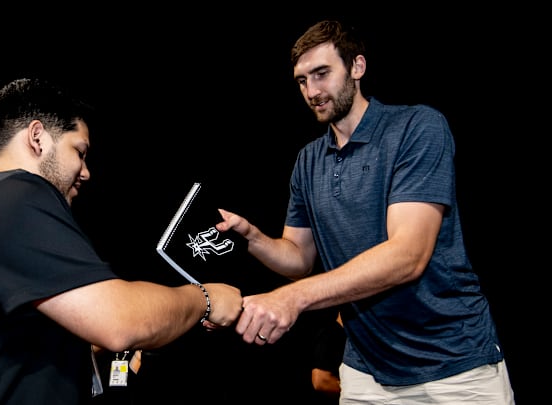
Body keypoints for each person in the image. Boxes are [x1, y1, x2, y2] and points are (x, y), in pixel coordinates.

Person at [0, 77, 243, 405]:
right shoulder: (12, 197)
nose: (86, 172)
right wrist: (206, 299)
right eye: (80, 152)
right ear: (37, 137)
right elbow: (121, 321)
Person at [216, 20, 515, 403]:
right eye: (302, 81)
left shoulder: (416, 127)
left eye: (322, 74)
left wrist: (293, 298)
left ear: (357, 67)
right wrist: (253, 237)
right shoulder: (308, 161)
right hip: (366, 372)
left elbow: (408, 255)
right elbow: (298, 257)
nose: (312, 91)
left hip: (455, 367)